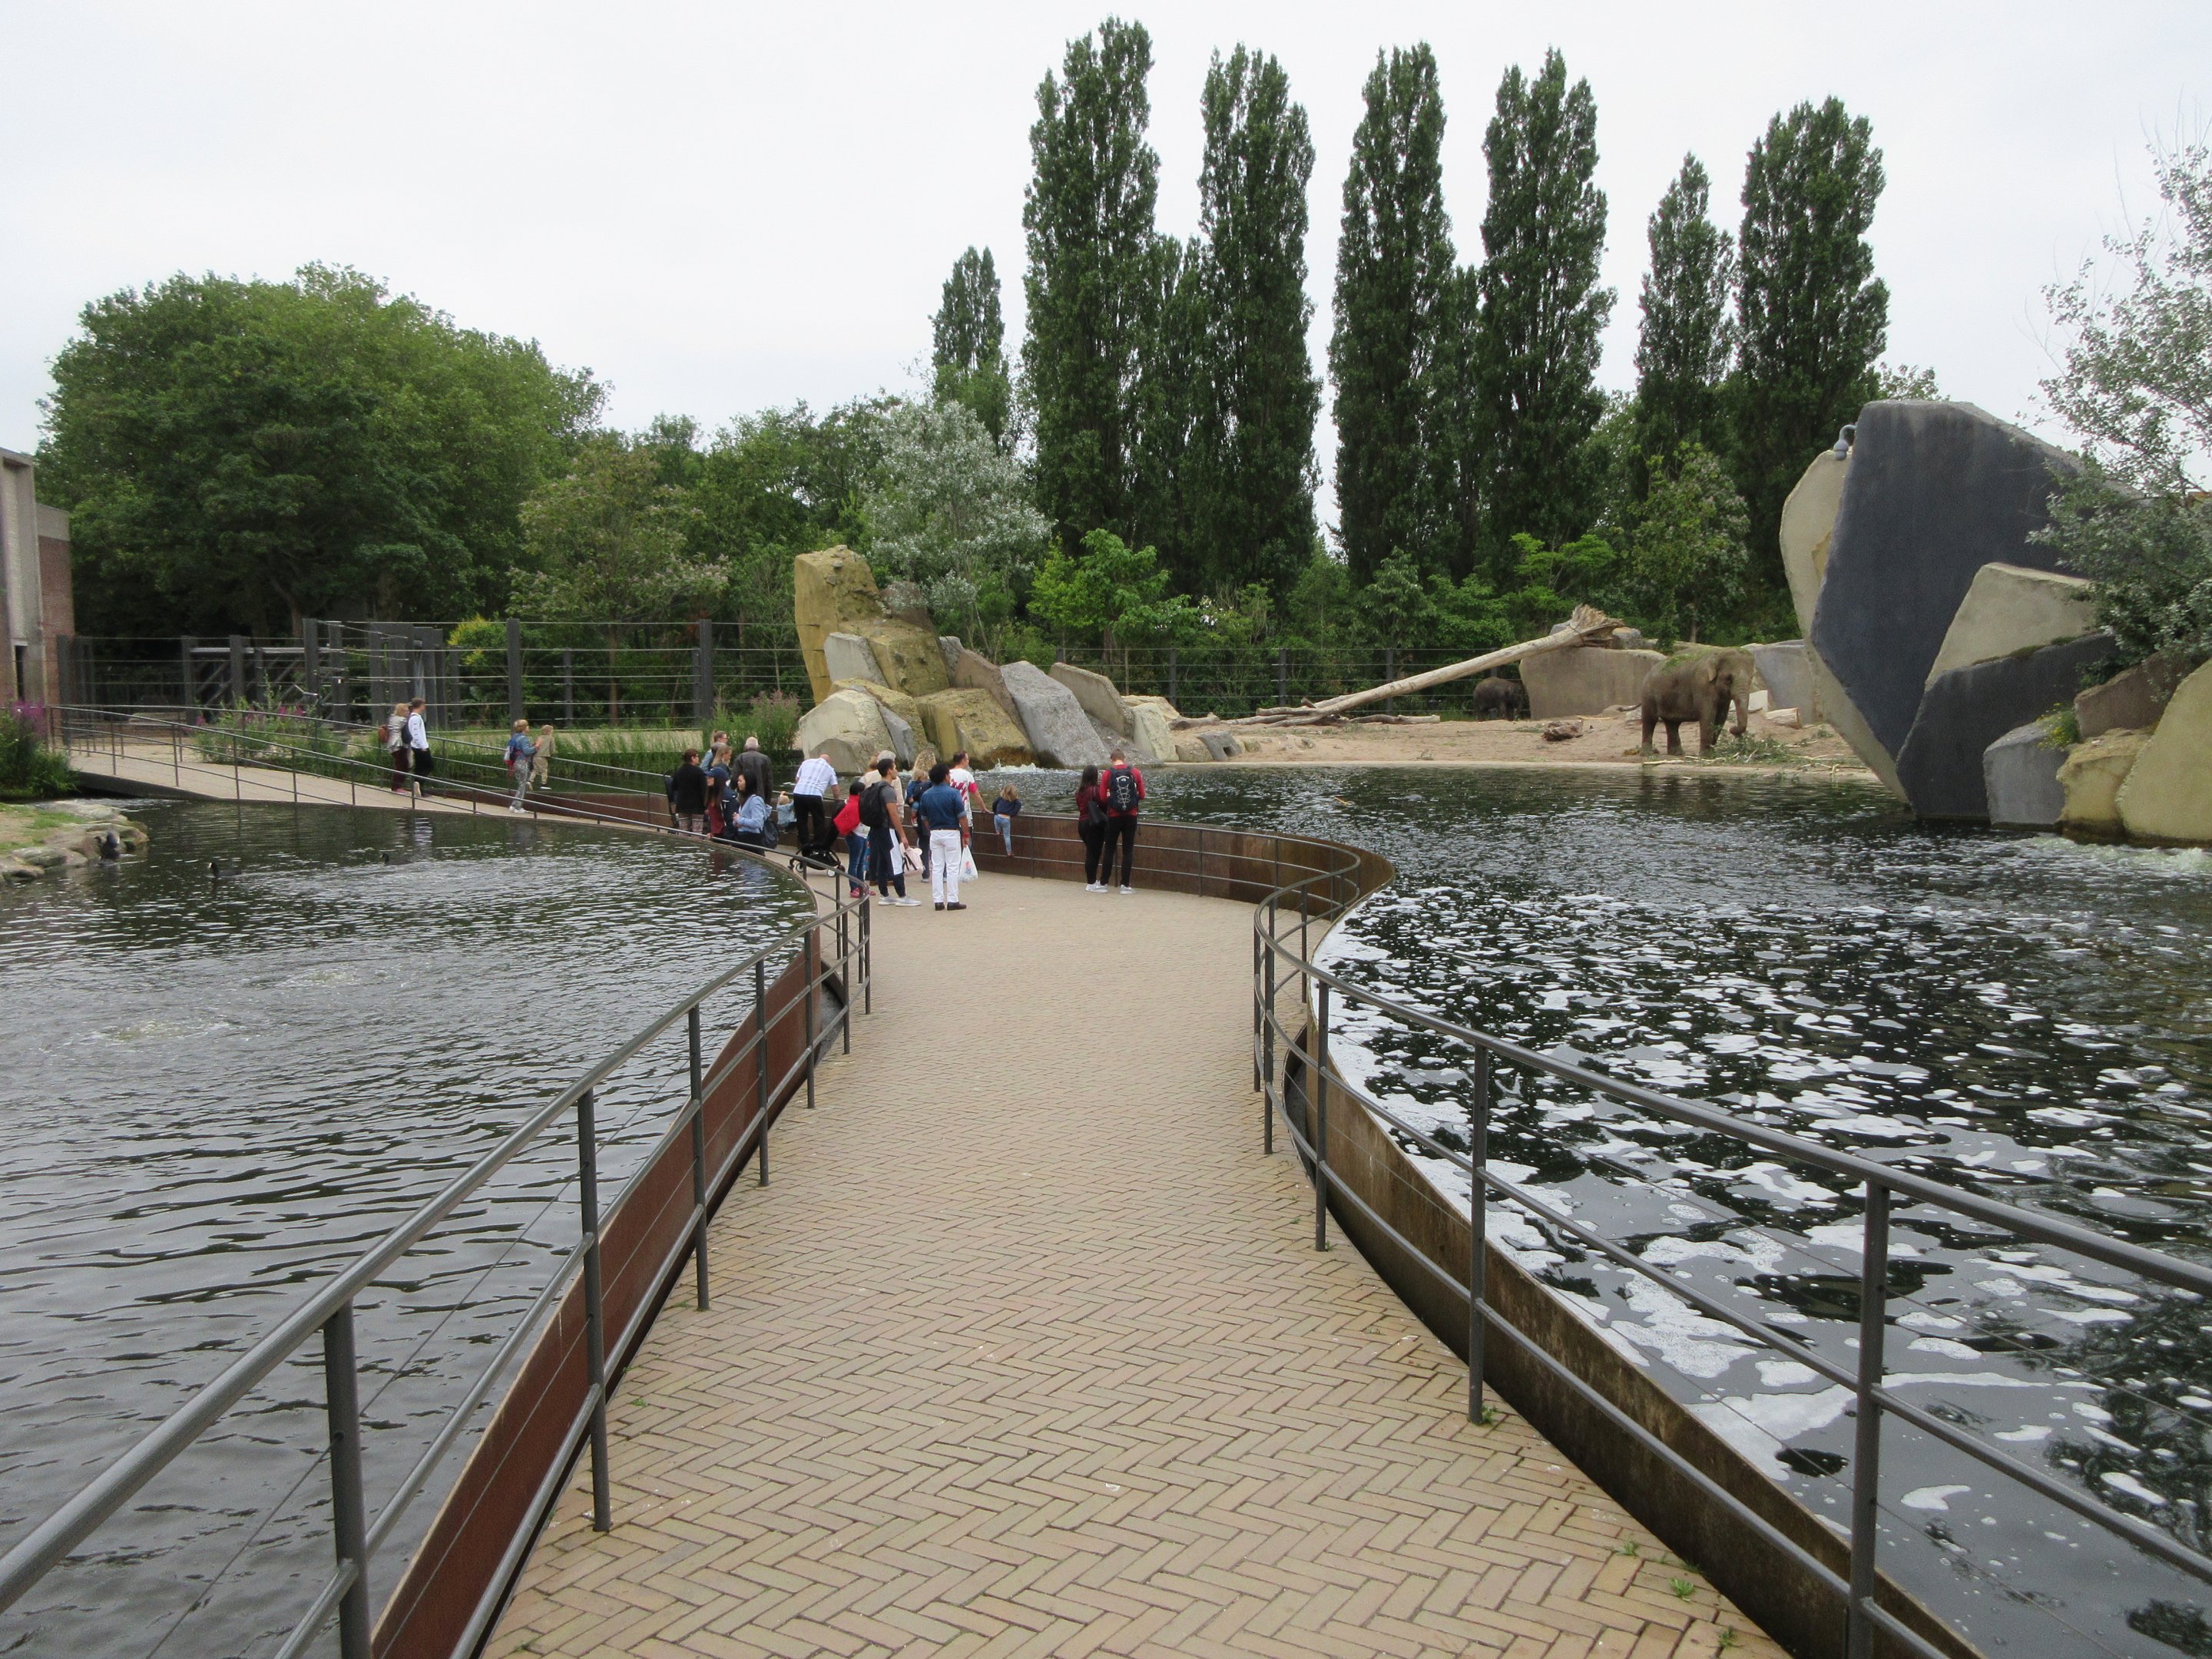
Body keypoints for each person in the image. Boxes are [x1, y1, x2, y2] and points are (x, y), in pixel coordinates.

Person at [864, 757, 921, 905]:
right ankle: (902, 896)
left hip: (875, 829)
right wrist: (902, 835)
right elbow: (893, 814)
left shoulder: (876, 787)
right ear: (889, 770)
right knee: (895, 860)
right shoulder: (888, 790)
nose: (897, 770)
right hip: (887, 829)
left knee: (882, 861)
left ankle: (885, 895)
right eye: (895, 768)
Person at [916, 761, 971, 910]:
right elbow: (962, 816)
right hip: (951, 831)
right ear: (946, 776)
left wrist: (931, 829)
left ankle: (938, 901)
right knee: (952, 867)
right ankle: (953, 900)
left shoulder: (926, 795)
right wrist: (966, 833)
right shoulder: (953, 793)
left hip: (935, 832)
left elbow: (924, 818)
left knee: (937, 867)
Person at [1098, 746, 1144, 892]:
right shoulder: (1135, 772)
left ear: (1112, 760)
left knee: (1110, 849)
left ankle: (1104, 884)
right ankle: (1125, 886)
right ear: (1124, 759)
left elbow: (1101, 798)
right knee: (1128, 850)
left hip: (1113, 816)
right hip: (1131, 816)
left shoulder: (1107, 774)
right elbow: (1142, 795)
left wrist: (1110, 798)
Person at [791, 749, 836, 859]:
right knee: (819, 821)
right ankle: (817, 845)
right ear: (828, 761)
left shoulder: (806, 762)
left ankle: (805, 846)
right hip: (815, 795)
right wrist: (837, 802)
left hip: (798, 793)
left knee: (801, 821)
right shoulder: (829, 769)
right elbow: (835, 788)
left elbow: (797, 779)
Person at [834, 780, 869, 897]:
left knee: (860, 863)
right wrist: (848, 830)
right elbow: (846, 818)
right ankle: (854, 888)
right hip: (856, 836)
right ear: (859, 793)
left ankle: (861, 887)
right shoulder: (854, 804)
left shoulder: (855, 803)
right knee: (855, 863)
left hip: (862, 835)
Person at [1075, 764, 1107, 890]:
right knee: (1094, 854)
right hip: (1094, 823)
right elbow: (1103, 803)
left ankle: (1091, 882)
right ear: (1095, 776)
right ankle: (1091, 883)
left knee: (1091, 852)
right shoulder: (1095, 790)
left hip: (1082, 823)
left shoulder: (1079, 791)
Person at [667, 748, 710, 836]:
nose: (699, 759)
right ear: (693, 758)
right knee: (697, 833)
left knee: (683, 831)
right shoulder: (699, 772)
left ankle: (684, 848)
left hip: (682, 805)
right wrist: (706, 806)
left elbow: (674, 787)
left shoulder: (679, 771)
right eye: (697, 756)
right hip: (697, 806)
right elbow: (704, 790)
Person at [729, 773, 777, 849]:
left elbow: (757, 823)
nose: (738, 783)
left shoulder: (755, 800)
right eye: (738, 781)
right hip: (741, 836)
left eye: (741, 781)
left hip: (751, 838)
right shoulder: (744, 799)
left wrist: (739, 820)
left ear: (748, 782)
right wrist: (736, 821)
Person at [504, 718, 537, 812]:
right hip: (522, 762)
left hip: (515, 763)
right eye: (528, 726)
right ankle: (517, 806)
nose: (529, 728)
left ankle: (515, 806)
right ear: (524, 728)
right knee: (523, 785)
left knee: (522, 784)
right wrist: (536, 747)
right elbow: (527, 751)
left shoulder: (515, 737)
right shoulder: (524, 738)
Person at [403, 698, 433, 799]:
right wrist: (422, 746)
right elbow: (415, 734)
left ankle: (418, 785)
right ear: (420, 705)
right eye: (423, 704)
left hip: (418, 746)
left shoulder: (414, 717)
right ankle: (419, 783)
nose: (424, 706)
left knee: (420, 767)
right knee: (428, 766)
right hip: (420, 747)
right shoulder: (415, 718)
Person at [734, 734, 772, 803]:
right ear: (758, 747)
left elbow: (735, 778)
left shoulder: (741, 758)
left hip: (744, 796)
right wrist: (767, 801)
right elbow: (769, 782)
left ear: (746, 746)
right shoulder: (766, 759)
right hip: (761, 796)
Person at [383, 702, 409, 793]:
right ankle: (397, 787)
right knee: (402, 765)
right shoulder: (402, 720)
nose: (408, 712)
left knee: (400, 764)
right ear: (401, 711)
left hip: (392, 744)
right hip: (399, 744)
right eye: (405, 711)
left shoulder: (392, 718)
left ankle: (396, 786)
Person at [991, 782, 1022, 855]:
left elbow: (994, 804)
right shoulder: (1015, 801)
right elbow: (1019, 806)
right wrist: (1012, 815)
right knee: (1007, 836)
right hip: (1006, 819)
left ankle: (998, 831)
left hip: (998, 817)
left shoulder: (1001, 798)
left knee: (996, 821)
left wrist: (995, 812)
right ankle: (1009, 852)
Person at [530, 724, 557, 792]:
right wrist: (552, 754)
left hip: (535, 756)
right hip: (543, 756)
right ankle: (544, 784)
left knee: (535, 770)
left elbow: (533, 745)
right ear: (549, 732)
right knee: (544, 770)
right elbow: (552, 748)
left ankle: (530, 781)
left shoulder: (539, 737)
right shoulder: (551, 738)